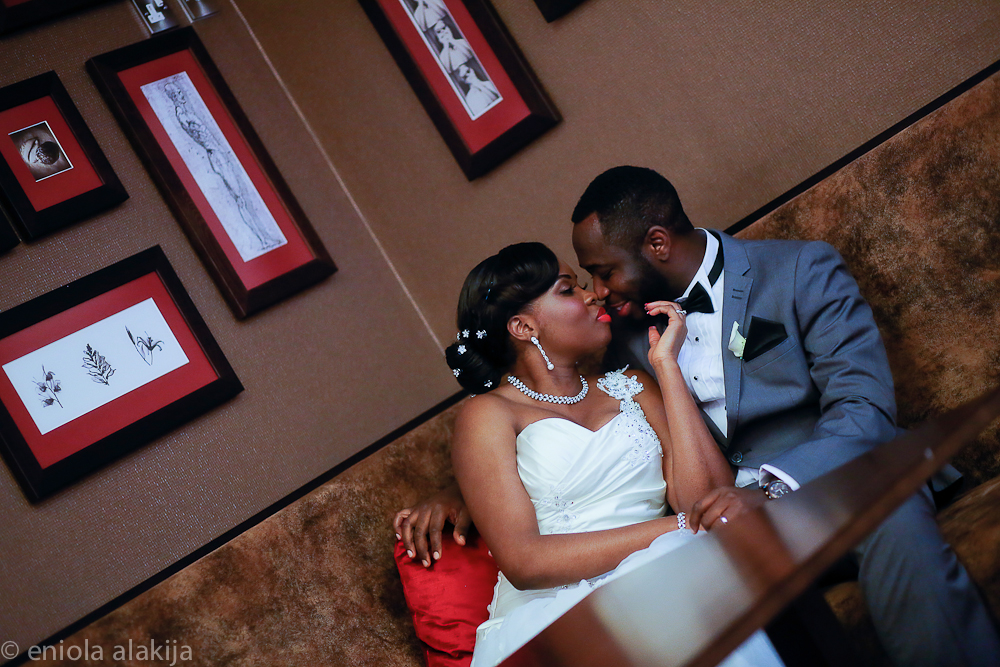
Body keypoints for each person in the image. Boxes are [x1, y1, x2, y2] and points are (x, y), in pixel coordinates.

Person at [397, 167, 1000, 666]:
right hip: (714, 537)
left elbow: (863, 411)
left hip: (820, 490)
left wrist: (769, 491)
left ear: (657, 244)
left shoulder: (798, 271)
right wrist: (462, 493)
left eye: (601, 273)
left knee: (888, 512)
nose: (596, 293)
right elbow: (539, 430)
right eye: (577, 284)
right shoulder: (623, 338)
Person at [437, 242, 782, 667]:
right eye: (569, 289)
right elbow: (525, 561)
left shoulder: (633, 385)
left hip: (664, 573)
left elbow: (706, 498)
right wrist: (680, 528)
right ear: (524, 327)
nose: (593, 295)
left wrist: (667, 367)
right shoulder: (487, 415)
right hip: (554, 610)